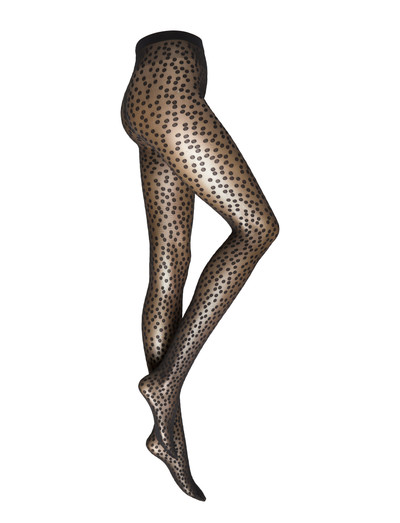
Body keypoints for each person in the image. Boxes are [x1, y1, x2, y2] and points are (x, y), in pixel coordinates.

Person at [120, 30, 280, 501]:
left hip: (145, 102)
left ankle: (168, 435)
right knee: (257, 228)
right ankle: (166, 384)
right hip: (169, 100)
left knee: (169, 266)